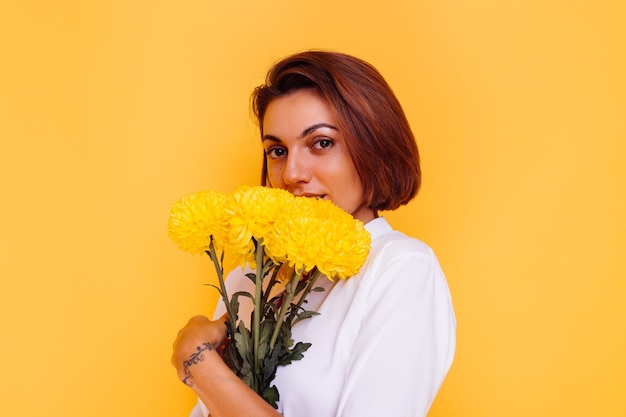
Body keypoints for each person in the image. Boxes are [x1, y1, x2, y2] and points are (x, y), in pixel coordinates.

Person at [172, 50, 456, 417]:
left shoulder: (400, 270)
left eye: (321, 143)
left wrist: (198, 363)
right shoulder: (248, 278)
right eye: (277, 150)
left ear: (373, 146)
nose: (291, 173)